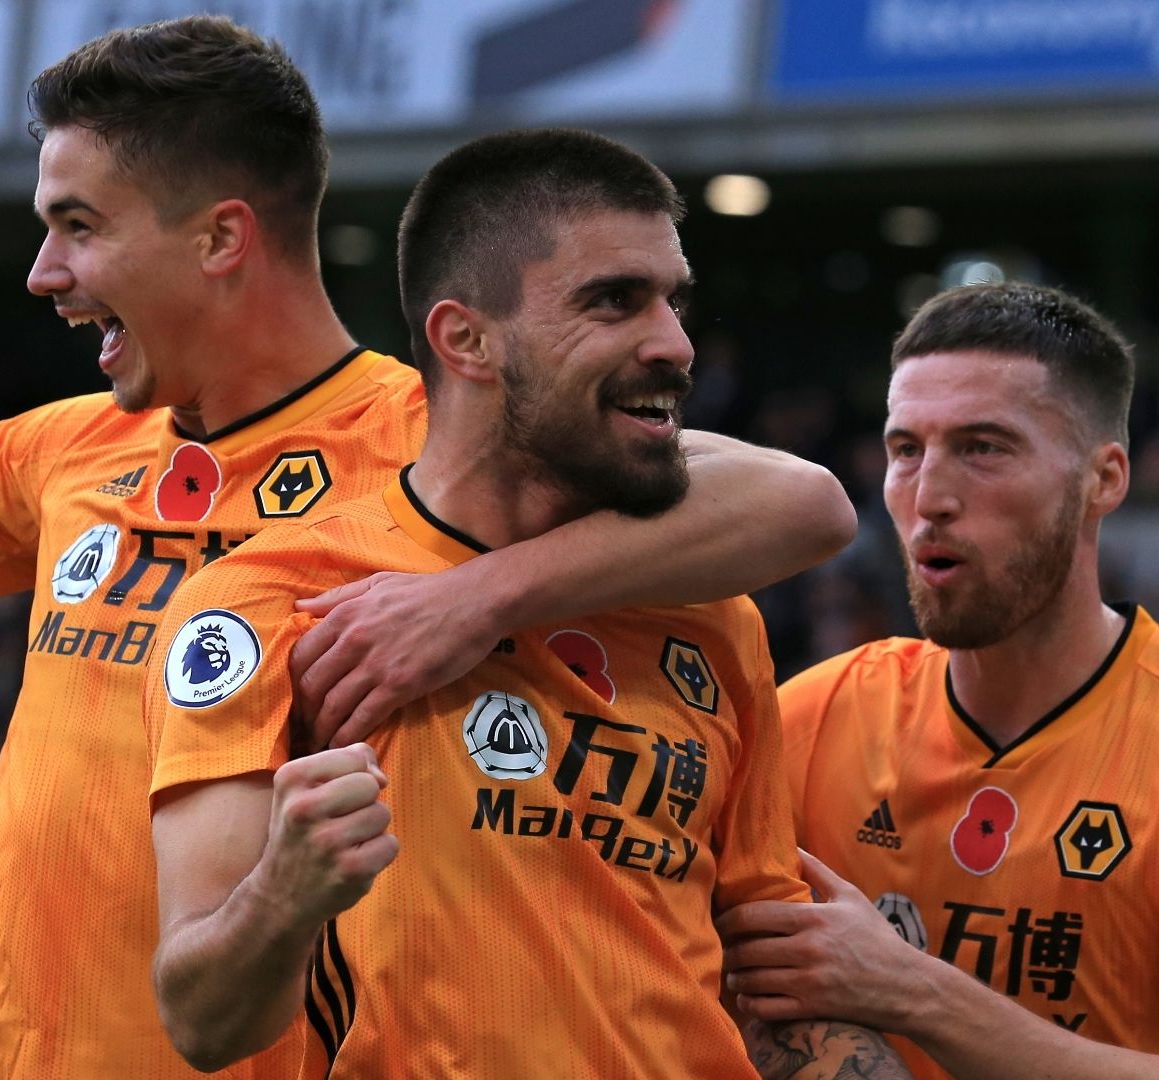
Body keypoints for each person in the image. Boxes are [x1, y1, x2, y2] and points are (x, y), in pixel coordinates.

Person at [0, 15, 855, 1080]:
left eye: (78, 226)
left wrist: (476, 594)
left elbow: (798, 504)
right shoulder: (77, 450)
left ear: (219, 238)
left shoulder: (435, 439)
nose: (43, 271)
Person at [141, 128, 909, 1079]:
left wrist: (476, 600)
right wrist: (285, 892)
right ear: (466, 339)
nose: (673, 343)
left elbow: (771, 980)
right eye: (614, 302)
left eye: (675, 301)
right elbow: (203, 1021)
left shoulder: (711, 611)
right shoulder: (274, 601)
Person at [717, 283, 1159, 1080]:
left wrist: (912, 991)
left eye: (984, 448)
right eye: (906, 449)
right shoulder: (816, 713)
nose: (929, 499)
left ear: (1103, 480)